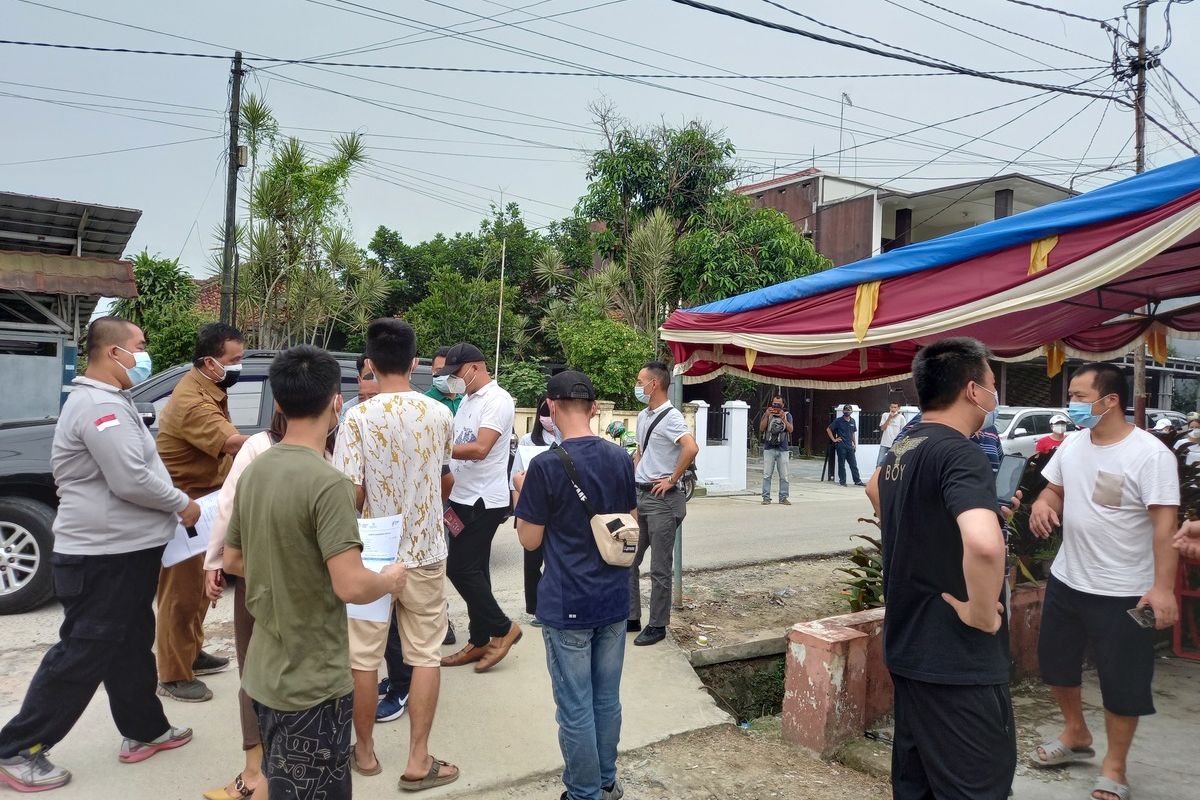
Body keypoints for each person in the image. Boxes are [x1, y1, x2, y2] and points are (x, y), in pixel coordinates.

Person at [0, 318, 198, 793]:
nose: (143, 355)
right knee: (84, 651)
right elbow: (130, 478)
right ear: (114, 353)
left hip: (125, 552)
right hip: (101, 557)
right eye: (140, 347)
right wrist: (182, 504)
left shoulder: (113, 401)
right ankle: (16, 748)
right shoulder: (97, 407)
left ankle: (144, 729)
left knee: (130, 644)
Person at [223, 345, 407, 800]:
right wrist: (390, 580)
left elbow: (232, 560)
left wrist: (286, 570)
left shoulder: (255, 469)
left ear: (279, 404)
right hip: (314, 683)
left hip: (264, 675)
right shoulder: (330, 484)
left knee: (280, 780)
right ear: (335, 402)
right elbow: (350, 583)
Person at [1029, 363, 1179, 800]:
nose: (1071, 405)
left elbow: (1164, 527)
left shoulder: (1149, 455)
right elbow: (1053, 488)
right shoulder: (1074, 444)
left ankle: (1115, 766)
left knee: (1122, 681)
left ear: (1109, 400)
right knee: (1056, 665)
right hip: (1067, 579)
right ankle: (1076, 732)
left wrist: (1163, 588)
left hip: (1124, 591)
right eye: (1072, 396)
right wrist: (1043, 502)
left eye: (1078, 396)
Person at [874, 337, 1015, 800]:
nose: (995, 397)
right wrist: (980, 611)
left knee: (918, 786)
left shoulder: (906, 444)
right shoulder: (962, 452)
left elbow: (876, 490)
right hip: (957, 661)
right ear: (973, 391)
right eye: (992, 386)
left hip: (908, 647)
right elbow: (984, 544)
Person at [333, 319, 460, 789]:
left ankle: (364, 754)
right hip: (426, 549)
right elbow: (441, 474)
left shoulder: (357, 418)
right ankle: (418, 759)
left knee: (363, 658)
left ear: (369, 364)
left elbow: (349, 491)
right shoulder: (439, 414)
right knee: (425, 654)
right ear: (415, 364)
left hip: (372, 553)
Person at [201, 408, 336, 800]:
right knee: (258, 669)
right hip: (272, 580)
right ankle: (255, 768)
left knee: (270, 669)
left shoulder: (316, 452)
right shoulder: (267, 448)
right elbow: (228, 507)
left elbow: (229, 506)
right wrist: (214, 563)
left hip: (268, 578)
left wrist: (215, 562)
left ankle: (269, 770)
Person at [514, 371, 636, 800]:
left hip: (567, 603)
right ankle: (606, 780)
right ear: (595, 409)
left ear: (550, 407)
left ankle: (584, 793)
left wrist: (521, 497)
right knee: (607, 699)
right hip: (614, 597)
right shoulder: (621, 457)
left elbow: (529, 539)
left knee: (576, 706)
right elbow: (629, 520)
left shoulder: (545, 466)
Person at [154, 322, 247, 703]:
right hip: (185, 509)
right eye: (234, 360)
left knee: (201, 589)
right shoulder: (192, 400)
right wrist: (284, 441)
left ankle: (191, 653)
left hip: (206, 503)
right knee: (181, 593)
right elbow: (229, 442)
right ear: (210, 363)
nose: (238, 367)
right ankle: (173, 675)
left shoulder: (208, 387)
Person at [439, 343, 523, 672]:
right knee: (477, 571)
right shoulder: (468, 401)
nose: (453, 380)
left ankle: (504, 628)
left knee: (459, 569)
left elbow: (480, 448)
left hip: (482, 501)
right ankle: (479, 639)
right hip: (461, 498)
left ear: (476, 367)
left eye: (457, 374)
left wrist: (440, 450)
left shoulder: (497, 400)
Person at [627, 361, 699, 647]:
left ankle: (657, 625)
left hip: (663, 501)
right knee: (628, 560)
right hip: (641, 496)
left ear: (654, 384)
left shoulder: (671, 417)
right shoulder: (644, 415)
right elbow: (643, 450)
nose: (637, 385)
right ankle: (631, 617)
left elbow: (691, 447)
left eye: (639, 380)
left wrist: (672, 478)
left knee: (659, 567)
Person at [511, 398, 564, 626]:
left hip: (559, 510)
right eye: (543, 414)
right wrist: (518, 512)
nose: (547, 419)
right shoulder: (527, 441)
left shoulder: (566, 439)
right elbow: (515, 479)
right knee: (532, 562)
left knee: (556, 561)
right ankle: (535, 608)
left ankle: (555, 604)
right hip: (533, 509)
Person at [759, 394, 793, 505]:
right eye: (774, 404)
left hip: (783, 449)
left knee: (784, 475)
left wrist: (784, 418)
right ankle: (766, 497)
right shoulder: (768, 414)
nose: (776, 407)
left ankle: (783, 497)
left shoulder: (787, 415)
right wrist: (766, 415)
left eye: (778, 404)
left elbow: (791, 429)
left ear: (783, 404)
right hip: (769, 448)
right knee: (767, 474)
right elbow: (761, 428)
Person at [827, 405, 864, 487]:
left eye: (849, 410)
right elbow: (828, 429)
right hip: (841, 446)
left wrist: (854, 443)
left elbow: (853, 433)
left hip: (850, 446)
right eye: (846, 410)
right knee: (841, 465)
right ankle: (842, 481)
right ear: (843, 411)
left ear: (851, 411)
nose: (847, 412)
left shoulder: (852, 421)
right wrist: (834, 439)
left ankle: (857, 481)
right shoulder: (838, 421)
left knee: (853, 464)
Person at [340, 354, 380, 421]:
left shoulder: (396, 409)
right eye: (369, 376)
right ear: (359, 380)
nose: (374, 380)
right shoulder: (346, 412)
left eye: (378, 377)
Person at [426, 346, 463, 416]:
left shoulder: (465, 402)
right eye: (439, 370)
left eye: (450, 370)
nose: (445, 374)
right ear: (432, 370)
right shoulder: (424, 402)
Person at [877, 401, 907, 467]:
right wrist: (889, 418)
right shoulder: (885, 415)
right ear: (889, 407)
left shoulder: (901, 417)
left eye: (895, 407)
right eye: (892, 407)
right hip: (885, 443)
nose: (893, 409)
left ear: (898, 408)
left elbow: (904, 431)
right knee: (879, 463)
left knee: (893, 464)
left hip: (895, 444)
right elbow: (882, 428)